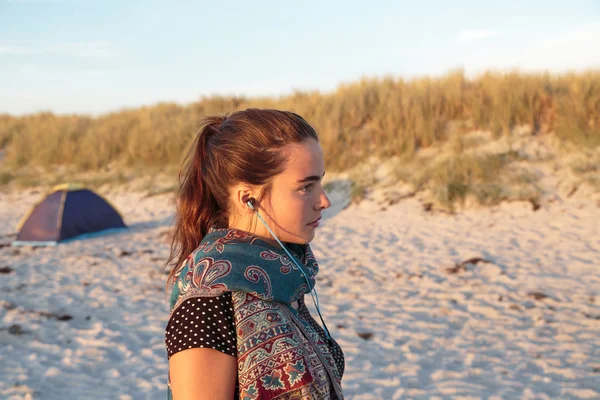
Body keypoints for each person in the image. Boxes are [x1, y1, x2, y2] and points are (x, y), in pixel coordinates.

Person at [162, 108, 345, 399]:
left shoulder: (282, 274)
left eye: (320, 182)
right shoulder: (206, 299)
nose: (324, 200)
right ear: (248, 199)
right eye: (306, 187)